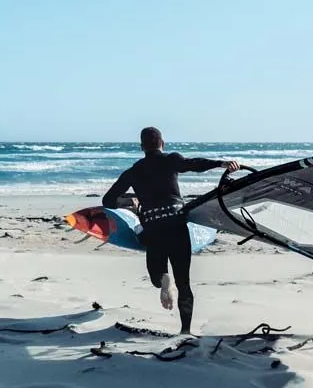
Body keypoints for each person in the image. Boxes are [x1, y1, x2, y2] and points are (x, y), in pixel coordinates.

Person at [102, 127, 239, 335]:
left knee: (156, 275)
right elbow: (193, 164)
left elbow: (108, 200)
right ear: (162, 143)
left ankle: (165, 279)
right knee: (184, 282)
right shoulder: (171, 160)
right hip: (176, 223)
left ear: (142, 147)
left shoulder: (133, 171)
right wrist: (221, 163)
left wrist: (130, 201)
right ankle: (185, 331)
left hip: (152, 227)